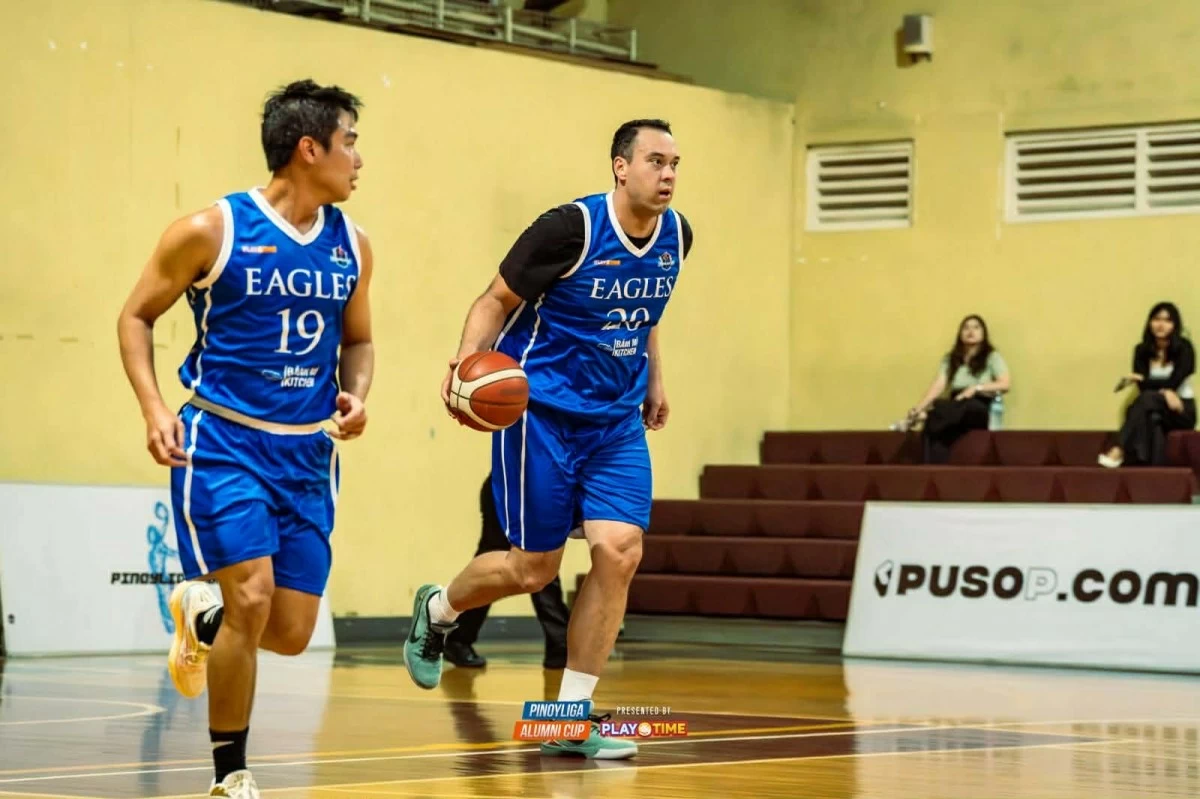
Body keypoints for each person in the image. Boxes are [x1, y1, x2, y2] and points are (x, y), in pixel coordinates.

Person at [403, 119, 693, 760]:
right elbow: (493, 300)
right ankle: (440, 610)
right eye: (655, 161)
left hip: (615, 422)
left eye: (675, 163)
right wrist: (463, 366)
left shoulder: (677, 235)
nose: (669, 174)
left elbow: (646, 315)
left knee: (619, 552)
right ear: (621, 167)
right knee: (533, 571)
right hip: (542, 415)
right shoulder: (568, 229)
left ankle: (567, 717)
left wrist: (655, 382)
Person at [116, 79, 373, 798]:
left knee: (289, 630)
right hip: (223, 440)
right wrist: (153, 407)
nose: (359, 160)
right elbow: (134, 316)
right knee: (254, 597)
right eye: (350, 142)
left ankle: (203, 617)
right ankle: (231, 774)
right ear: (309, 148)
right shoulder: (211, 229)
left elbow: (360, 340)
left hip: (307, 452)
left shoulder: (353, 243)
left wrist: (359, 395)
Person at [444, 475, 569, 669]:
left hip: (525, 488)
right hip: (512, 489)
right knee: (509, 566)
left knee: (533, 566)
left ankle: (458, 638)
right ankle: (561, 644)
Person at [902, 315, 1010, 463]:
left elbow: (1005, 384)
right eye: (966, 327)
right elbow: (938, 385)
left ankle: (929, 416)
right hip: (955, 404)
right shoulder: (950, 358)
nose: (970, 331)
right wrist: (918, 408)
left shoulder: (992, 356)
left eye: (976, 327)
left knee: (955, 408)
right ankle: (931, 469)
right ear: (960, 333)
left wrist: (976, 388)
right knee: (938, 410)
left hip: (979, 404)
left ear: (983, 333)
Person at [1100, 302, 1196, 468]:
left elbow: (1176, 379)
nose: (1161, 325)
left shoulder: (1184, 348)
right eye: (1157, 319)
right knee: (1152, 418)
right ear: (1149, 322)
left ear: (1175, 324)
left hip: (1181, 408)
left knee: (1145, 401)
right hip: (1155, 406)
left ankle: (1118, 448)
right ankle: (1151, 472)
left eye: (1167, 320)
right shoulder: (1141, 350)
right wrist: (1164, 391)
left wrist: (1148, 382)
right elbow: (1143, 388)